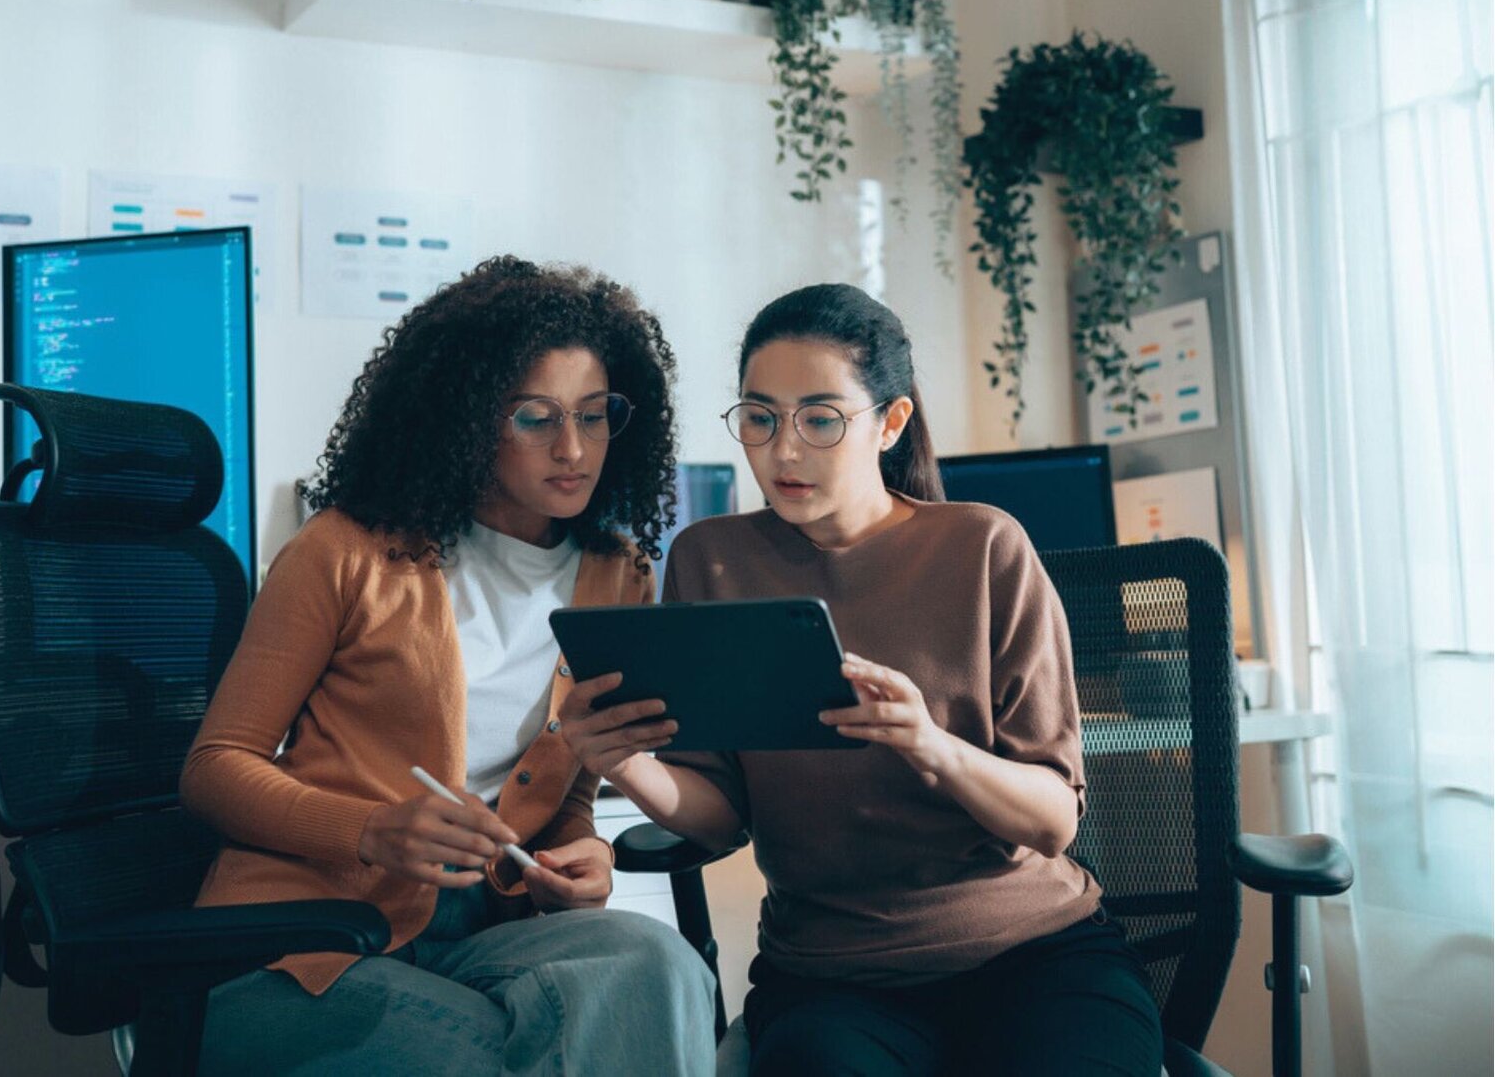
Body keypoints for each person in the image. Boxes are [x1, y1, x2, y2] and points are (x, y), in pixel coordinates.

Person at [558, 284, 1163, 1075]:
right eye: (760, 417)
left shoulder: (985, 548)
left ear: (891, 421)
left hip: (1035, 956)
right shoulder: (712, 561)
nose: (783, 451)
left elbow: (1053, 821)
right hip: (832, 980)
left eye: (820, 418)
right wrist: (625, 764)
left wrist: (930, 744)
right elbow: (720, 817)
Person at [181, 256, 717, 1075]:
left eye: (595, 413)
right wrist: (369, 829)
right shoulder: (345, 550)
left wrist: (585, 859)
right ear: (467, 419)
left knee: (661, 967)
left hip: (478, 941)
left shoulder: (617, 574)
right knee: (523, 1055)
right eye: (535, 418)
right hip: (299, 948)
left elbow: (566, 784)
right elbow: (215, 769)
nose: (573, 448)